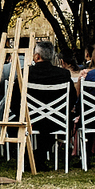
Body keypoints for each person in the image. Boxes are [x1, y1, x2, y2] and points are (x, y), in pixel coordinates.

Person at [26, 40, 74, 171]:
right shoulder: (63, 74)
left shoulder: (27, 73)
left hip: (31, 119)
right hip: (57, 120)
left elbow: (14, 99)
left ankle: (30, 156)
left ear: (37, 56)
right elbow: (72, 98)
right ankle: (37, 157)